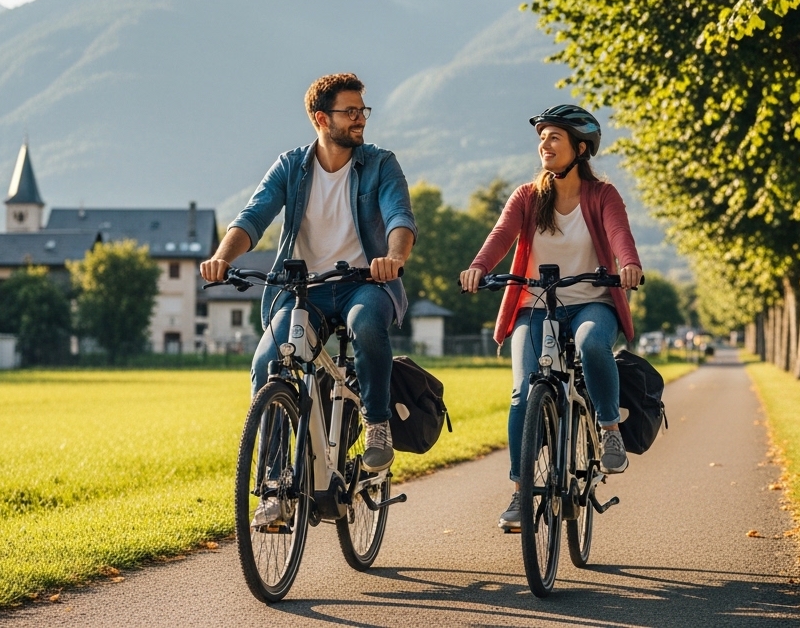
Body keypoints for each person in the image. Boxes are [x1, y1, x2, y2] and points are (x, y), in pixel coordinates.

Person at [201, 72, 416, 493]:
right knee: (267, 363)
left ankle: (377, 423)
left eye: (363, 111)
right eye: (350, 112)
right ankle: (274, 481)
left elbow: (399, 217)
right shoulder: (291, 167)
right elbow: (253, 217)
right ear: (321, 118)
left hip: (363, 284)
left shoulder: (380, 164)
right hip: (303, 290)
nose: (360, 119)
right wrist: (222, 258)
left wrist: (393, 258)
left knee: (367, 324)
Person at [459, 104, 642, 530]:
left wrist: (629, 263)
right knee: (523, 392)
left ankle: (609, 428)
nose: (545, 144)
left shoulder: (602, 195)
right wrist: (479, 266)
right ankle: (520, 492)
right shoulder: (527, 196)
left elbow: (619, 234)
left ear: (581, 148)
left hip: (592, 302)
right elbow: (501, 235)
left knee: (592, 343)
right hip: (535, 304)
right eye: (542, 137)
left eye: (554, 137)